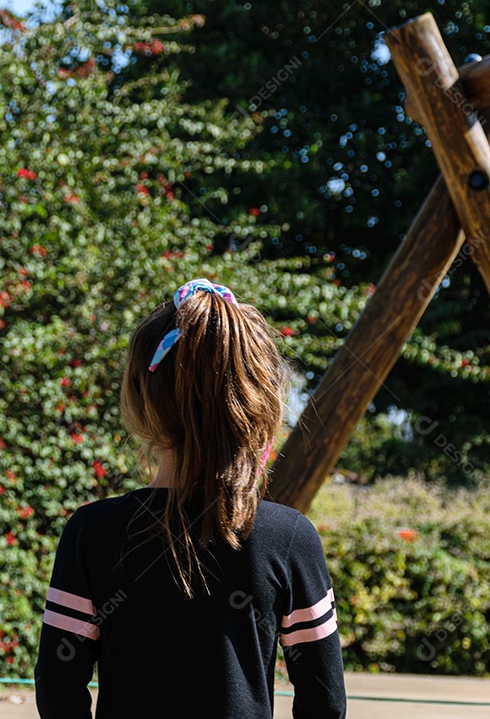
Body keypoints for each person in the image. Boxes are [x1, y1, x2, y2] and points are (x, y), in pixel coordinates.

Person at [34, 278, 347, 718]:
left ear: (142, 399)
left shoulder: (91, 531)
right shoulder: (290, 537)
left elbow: (57, 690)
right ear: (258, 401)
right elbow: (325, 702)